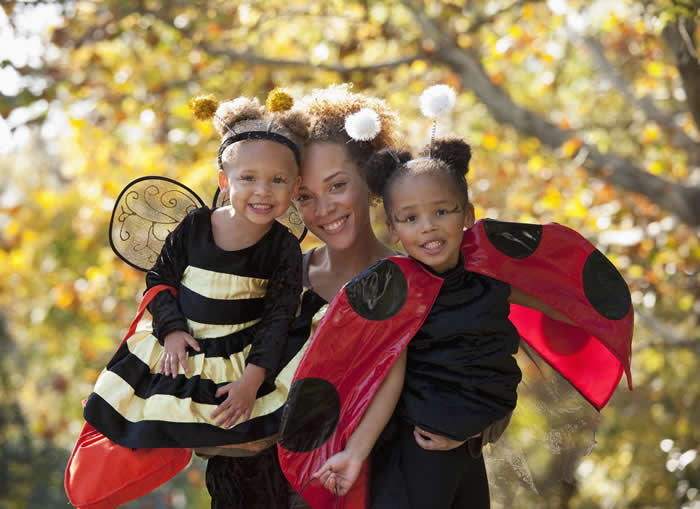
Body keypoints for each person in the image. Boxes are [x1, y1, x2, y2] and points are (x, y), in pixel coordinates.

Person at [312, 137, 578, 509]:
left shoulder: (489, 278)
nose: (428, 228)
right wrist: (355, 454)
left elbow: (559, 304)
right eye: (410, 218)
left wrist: (597, 313)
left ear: (467, 215)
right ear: (393, 228)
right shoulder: (399, 291)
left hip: (468, 443)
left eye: (442, 212)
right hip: (415, 451)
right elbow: (391, 379)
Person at [203, 84, 404, 509]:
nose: (324, 209)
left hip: (387, 488)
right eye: (305, 197)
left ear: (367, 177)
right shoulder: (277, 281)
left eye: (336, 186)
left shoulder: (415, 284)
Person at [83, 91, 309, 453]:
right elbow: (160, 280)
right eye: (248, 178)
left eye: (278, 181)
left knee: (239, 432)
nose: (263, 192)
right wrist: (171, 330)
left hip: (240, 353)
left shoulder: (283, 247)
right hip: (182, 345)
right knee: (144, 424)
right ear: (224, 181)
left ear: (296, 187)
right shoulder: (195, 226)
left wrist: (252, 380)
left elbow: (278, 316)